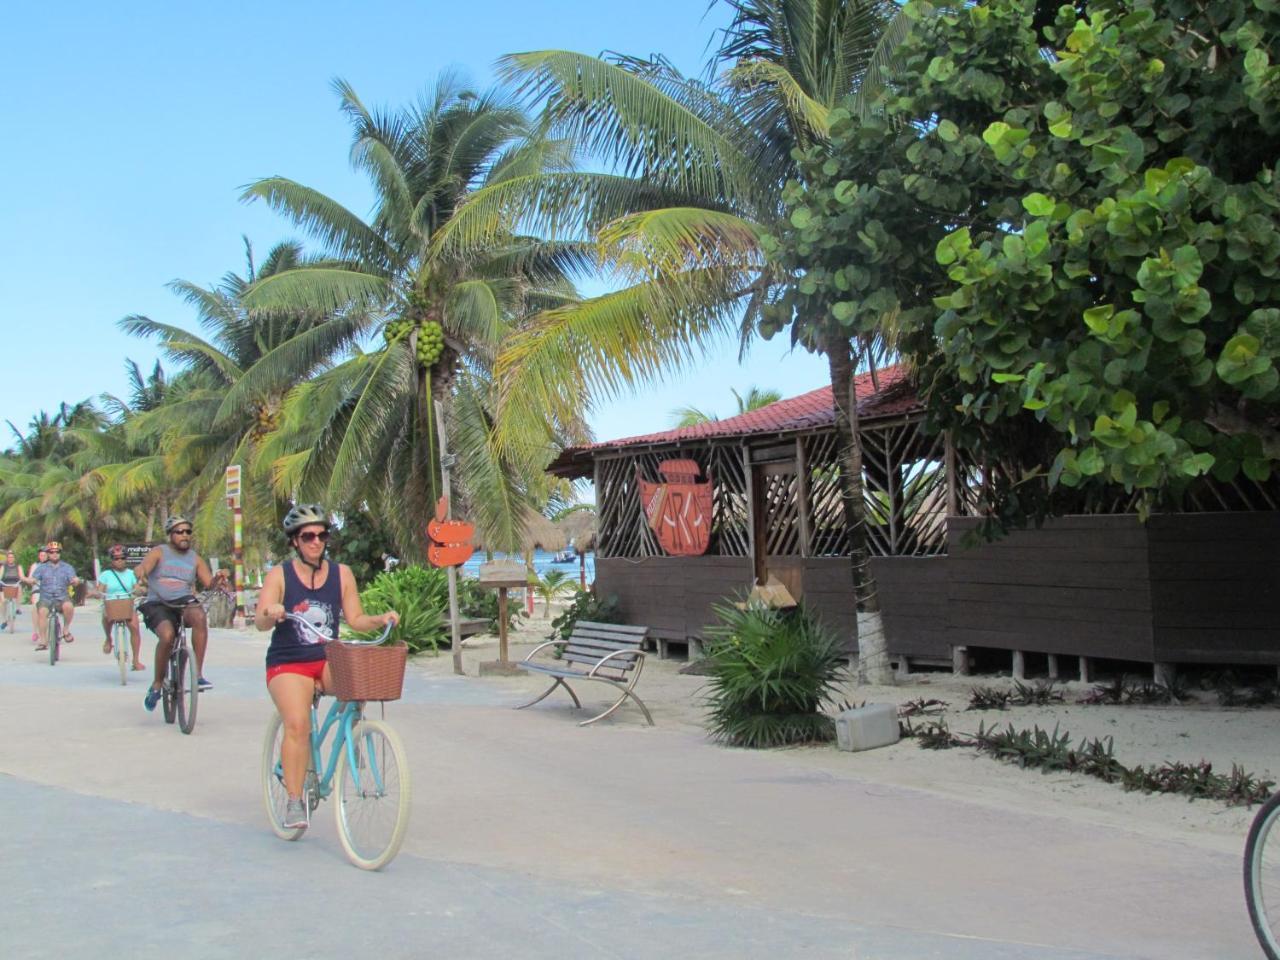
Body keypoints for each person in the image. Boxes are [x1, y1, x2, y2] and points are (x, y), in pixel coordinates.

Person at [257, 503, 398, 831]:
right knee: (297, 724)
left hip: (325, 658)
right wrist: (272, 611)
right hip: (288, 662)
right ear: (295, 541)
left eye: (322, 535)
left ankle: (354, 737)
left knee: (357, 684)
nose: (316, 541)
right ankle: (294, 800)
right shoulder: (280, 575)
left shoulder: (341, 573)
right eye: (308, 536)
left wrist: (380, 619)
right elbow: (261, 621)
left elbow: (356, 620)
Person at [134, 516, 226, 711]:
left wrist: (218, 580)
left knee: (200, 616)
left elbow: (208, 583)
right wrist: (140, 572)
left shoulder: (195, 559)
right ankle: (157, 684)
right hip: (158, 602)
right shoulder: (159, 552)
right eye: (179, 532)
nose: (184, 535)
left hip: (184, 601)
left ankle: (197, 674)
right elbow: (144, 567)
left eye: (188, 532)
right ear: (170, 535)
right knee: (167, 636)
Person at [95, 544, 144, 670]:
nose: (120, 561)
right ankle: (108, 638)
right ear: (112, 560)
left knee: (134, 627)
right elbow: (100, 589)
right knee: (106, 616)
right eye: (116, 558)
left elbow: (136, 588)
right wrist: (97, 593)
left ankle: (136, 660)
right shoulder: (106, 574)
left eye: (122, 558)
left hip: (127, 603)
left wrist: (139, 590)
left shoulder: (131, 574)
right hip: (111, 602)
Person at [24, 542, 79, 651]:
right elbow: (34, 578)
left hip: (62, 597)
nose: (54, 554)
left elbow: (74, 579)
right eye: (51, 552)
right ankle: (43, 640)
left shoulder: (67, 567)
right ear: (48, 554)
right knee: (42, 612)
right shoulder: (41, 568)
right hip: (46, 598)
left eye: (57, 552)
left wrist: (75, 581)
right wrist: (31, 580)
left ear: (60, 553)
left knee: (69, 606)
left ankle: (66, 630)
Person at [26, 547, 47, 643]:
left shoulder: (52, 565)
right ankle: (35, 631)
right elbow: (30, 578)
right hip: (38, 590)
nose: (43, 557)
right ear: (39, 556)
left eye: (45, 555)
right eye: (41, 555)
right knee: (35, 607)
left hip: (49, 591)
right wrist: (31, 581)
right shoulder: (35, 566)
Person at [0, 550, 23, 629]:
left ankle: (18, 608)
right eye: (9, 557)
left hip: (15, 584)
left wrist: (22, 579)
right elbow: (0, 576)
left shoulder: (18, 566)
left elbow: (21, 576)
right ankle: (4, 621)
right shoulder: (4, 566)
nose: (11, 558)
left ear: (14, 558)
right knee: (3, 602)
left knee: (19, 587)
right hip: (5, 585)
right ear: (7, 558)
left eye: (12, 557)